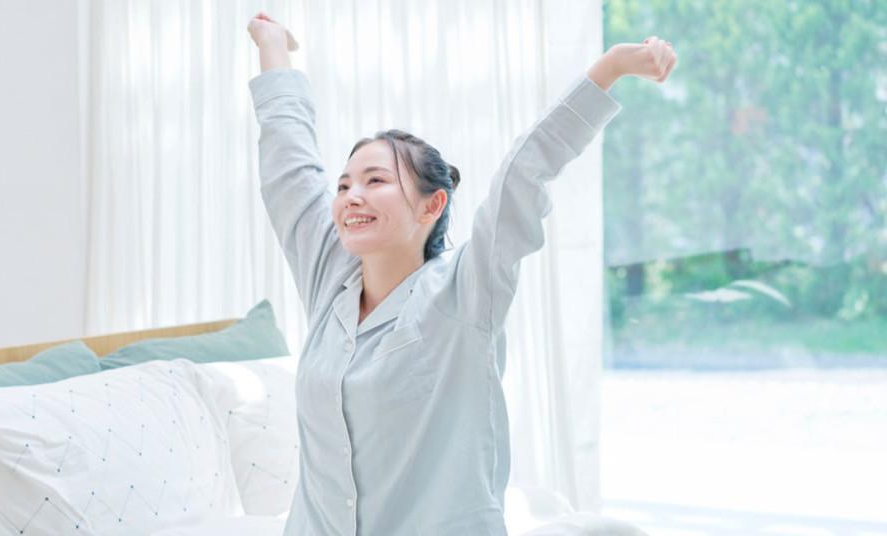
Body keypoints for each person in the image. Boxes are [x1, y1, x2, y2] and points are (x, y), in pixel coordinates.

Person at [246, 12, 675, 536]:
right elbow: (289, 163)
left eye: (375, 180)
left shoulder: (465, 291)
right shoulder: (329, 275)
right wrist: (273, 46)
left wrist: (610, 69)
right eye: (343, 185)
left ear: (432, 206)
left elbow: (524, 173)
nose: (351, 195)